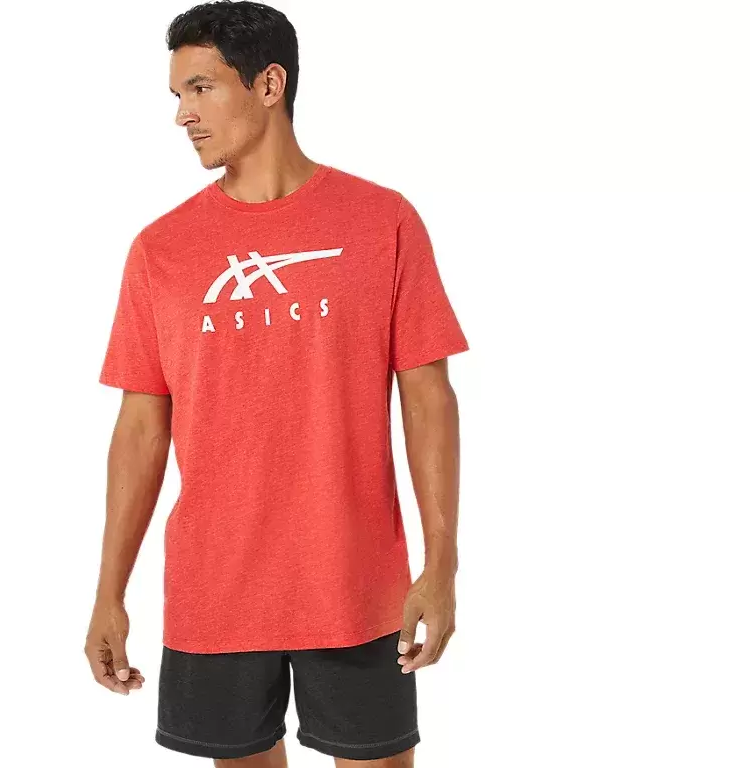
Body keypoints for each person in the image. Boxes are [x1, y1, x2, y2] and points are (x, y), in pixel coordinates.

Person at [85, 2, 470, 765]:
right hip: (216, 587)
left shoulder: (381, 222)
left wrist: (442, 563)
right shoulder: (160, 250)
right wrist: (109, 590)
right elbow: (141, 426)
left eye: (201, 88)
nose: (183, 115)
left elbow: (429, 398)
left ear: (268, 84)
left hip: (355, 584)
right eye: (177, 95)